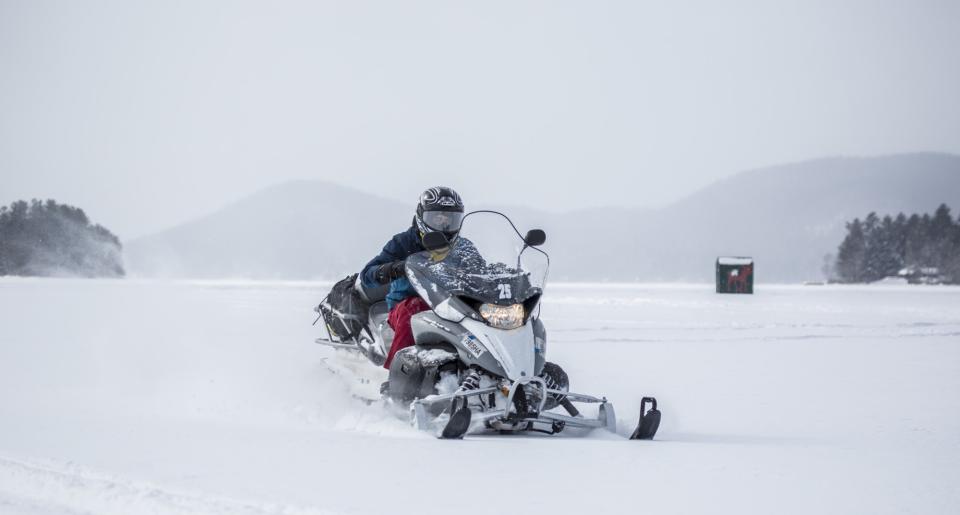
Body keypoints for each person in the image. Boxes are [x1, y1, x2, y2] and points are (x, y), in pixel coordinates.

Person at [360, 186, 465, 369]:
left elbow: (480, 270)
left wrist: (499, 275)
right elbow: (368, 275)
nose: (443, 225)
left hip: (452, 306)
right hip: (405, 305)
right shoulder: (403, 242)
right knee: (414, 308)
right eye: (437, 218)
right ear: (422, 215)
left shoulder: (463, 247)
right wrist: (395, 268)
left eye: (449, 219)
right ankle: (397, 376)